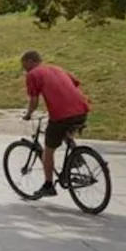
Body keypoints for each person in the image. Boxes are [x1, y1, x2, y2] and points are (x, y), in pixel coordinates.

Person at [20, 50, 90, 199]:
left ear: (31, 61)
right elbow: (74, 84)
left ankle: (48, 185)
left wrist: (28, 115)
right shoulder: (57, 68)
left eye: (24, 65)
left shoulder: (33, 74)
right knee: (65, 131)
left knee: (48, 149)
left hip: (62, 115)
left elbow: (34, 100)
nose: (24, 69)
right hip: (82, 110)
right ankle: (76, 157)